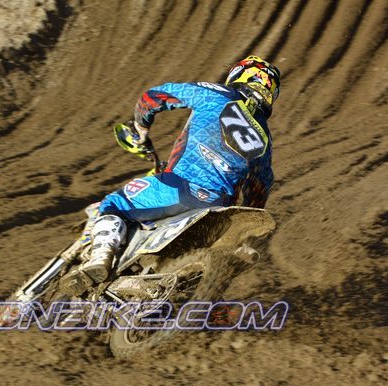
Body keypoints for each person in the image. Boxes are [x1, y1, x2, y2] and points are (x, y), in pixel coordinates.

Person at [81, 55, 280, 283]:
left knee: (114, 204)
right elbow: (259, 191)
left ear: (240, 74)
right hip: (220, 208)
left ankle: (100, 261)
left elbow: (156, 96)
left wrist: (140, 128)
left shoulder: (218, 94)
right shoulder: (265, 139)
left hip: (180, 187)